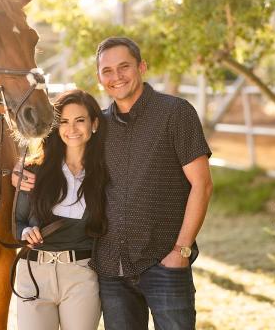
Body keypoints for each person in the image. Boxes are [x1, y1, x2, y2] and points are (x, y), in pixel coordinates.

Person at [16, 37, 213, 330]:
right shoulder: (100, 127)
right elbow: (61, 150)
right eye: (107, 70)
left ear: (141, 67)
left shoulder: (176, 113)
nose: (116, 76)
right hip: (112, 270)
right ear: (99, 77)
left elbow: (203, 185)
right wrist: (20, 169)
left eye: (124, 67)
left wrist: (181, 252)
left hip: (164, 262)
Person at [12, 89, 108, 330]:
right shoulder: (33, 171)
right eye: (64, 121)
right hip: (34, 273)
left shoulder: (105, 173)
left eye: (80, 120)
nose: (71, 129)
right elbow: (16, 222)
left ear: (94, 124)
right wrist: (25, 233)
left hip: (81, 275)